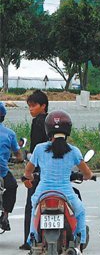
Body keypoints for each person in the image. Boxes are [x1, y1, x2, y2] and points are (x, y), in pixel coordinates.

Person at [23, 111, 94, 247]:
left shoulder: (39, 149)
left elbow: (28, 171)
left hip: (43, 193)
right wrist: (88, 176)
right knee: (80, 211)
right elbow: (87, 173)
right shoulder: (74, 151)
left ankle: (31, 239)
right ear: (68, 130)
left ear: (47, 129)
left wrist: (29, 177)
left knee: (34, 209)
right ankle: (80, 243)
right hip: (65, 193)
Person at [20, 90, 49, 251]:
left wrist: (29, 170)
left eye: (33, 106)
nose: (30, 109)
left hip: (38, 169)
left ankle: (28, 240)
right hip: (51, 168)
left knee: (31, 204)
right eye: (29, 106)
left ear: (43, 106)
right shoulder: (51, 121)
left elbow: (35, 148)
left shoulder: (37, 122)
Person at [0, 102, 21, 232]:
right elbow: (18, 154)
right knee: (12, 186)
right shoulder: (9, 134)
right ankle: (5, 215)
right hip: (2, 171)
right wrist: (19, 159)